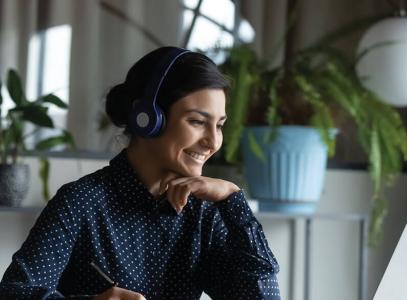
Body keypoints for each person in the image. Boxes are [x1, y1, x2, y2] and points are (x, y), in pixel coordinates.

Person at [0, 47, 281, 300]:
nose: (213, 142)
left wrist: (233, 199)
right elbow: (14, 293)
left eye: (219, 125)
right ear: (147, 119)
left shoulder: (205, 214)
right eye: (197, 121)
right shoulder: (81, 202)